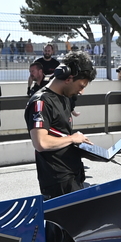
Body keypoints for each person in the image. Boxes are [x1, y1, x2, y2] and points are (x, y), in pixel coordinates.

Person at [25, 51, 96, 197]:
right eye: (81, 86)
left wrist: (82, 147)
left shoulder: (65, 98)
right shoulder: (41, 102)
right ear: (68, 78)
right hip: (58, 182)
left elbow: (60, 134)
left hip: (73, 175)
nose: (81, 92)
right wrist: (72, 138)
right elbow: (41, 142)